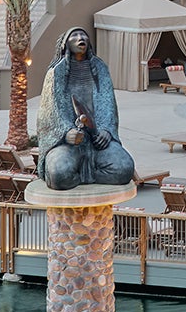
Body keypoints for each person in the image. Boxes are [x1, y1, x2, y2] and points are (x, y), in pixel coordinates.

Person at [36, 26, 134, 191]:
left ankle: (86, 175)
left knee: (125, 167)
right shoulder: (55, 73)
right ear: (65, 45)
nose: (80, 38)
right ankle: (77, 173)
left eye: (83, 35)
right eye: (74, 35)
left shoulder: (100, 69)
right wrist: (66, 133)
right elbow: (48, 114)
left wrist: (106, 131)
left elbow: (109, 105)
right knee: (58, 173)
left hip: (97, 141)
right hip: (68, 144)